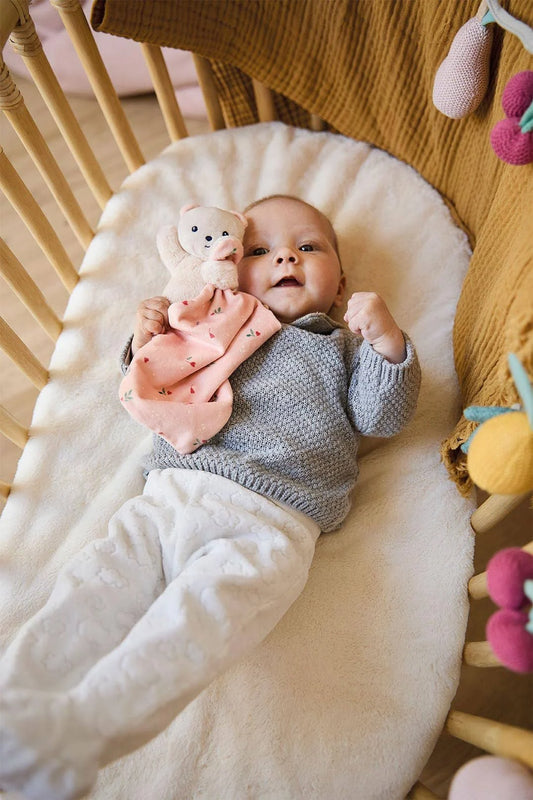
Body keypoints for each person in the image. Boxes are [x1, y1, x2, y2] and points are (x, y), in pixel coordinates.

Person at [0, 195, 421, 800]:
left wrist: (388, 342)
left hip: (270, 522)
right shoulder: (212, 319)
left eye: (308, 247)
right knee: (92, 590)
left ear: (341, 283)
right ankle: (14, 710)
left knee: (193, 628)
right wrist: (147, 333)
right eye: (260, 250)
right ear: (227, 267)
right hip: (169, 497)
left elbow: (381, 416)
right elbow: (154, 378)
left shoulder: (340, 347)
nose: (285, 257)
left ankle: (74, 740)